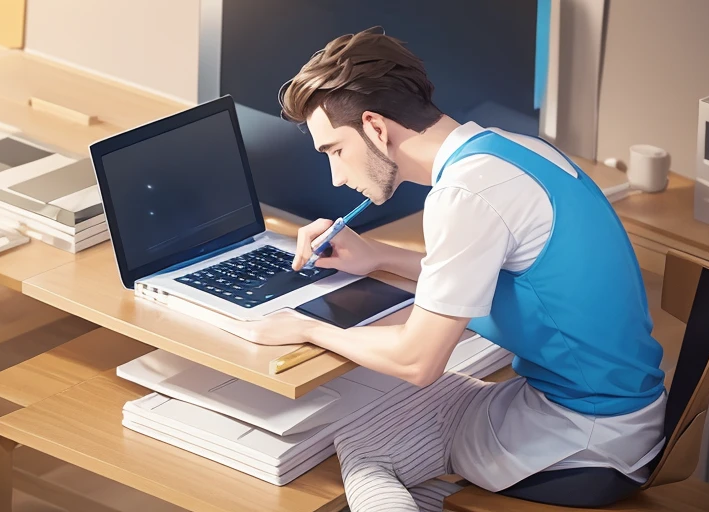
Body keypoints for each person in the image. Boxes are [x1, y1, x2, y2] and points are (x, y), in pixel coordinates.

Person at [236, 26, 667, 512]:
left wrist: (307, 328)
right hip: (625, 412)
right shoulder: (510, 150)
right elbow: (498, 273)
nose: (337, 175)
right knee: (400, 422)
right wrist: (379, 256)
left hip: (586, 439)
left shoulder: (465, 195)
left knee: (363, 447)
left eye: (335, 150)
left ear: (376, 127)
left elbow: (417, 363)